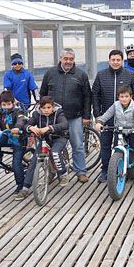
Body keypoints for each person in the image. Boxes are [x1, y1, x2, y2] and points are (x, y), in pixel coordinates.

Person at [40, 48, 92, 182]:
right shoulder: (50, 73)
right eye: (66, 59)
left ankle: (80, 171)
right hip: (54, 118)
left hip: (74, 117)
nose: (68, 61)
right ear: (60, 59)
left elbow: (87, 97)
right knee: (51, 145)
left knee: (78, 145)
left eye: (71, 59)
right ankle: (52, 171)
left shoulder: (81, 75)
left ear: (74, 60)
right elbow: (43, 94)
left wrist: (86, 116)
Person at [92, 49, 134, 182]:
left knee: (129, 143)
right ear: (109, 61)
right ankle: (105, 170)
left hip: (126, 118)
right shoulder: (101, 75)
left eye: (118, 60)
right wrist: (97, 114)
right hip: (107, 117)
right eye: (113, 60)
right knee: (106, 145)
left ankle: (128, 168)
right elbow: (95, 95)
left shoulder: (130, 74)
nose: (115, 62)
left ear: (122, 61)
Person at [95, 85, 134, 185]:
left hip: (133, 130)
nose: (124, 99)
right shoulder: (116, 105)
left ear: (131, 96)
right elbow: (107, 115)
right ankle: (117, 171)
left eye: (126, 96)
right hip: (120, 130)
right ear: (118, 97)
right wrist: (100, 122)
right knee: (117, 150)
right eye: (122, 97)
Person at [25, 96, 71, 186]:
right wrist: (30, 127)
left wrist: (48, 128)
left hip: (60, 137)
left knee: (55, 152)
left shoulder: (59, 112)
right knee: (34, 161)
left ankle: (63, 174)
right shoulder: (36, 114)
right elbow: (26, 123)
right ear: (40, 108)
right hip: (44, 140)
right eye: (43, 108)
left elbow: (65, 124)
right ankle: (25, 187)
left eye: (49, 107)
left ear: (53, 107)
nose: (46, 110)